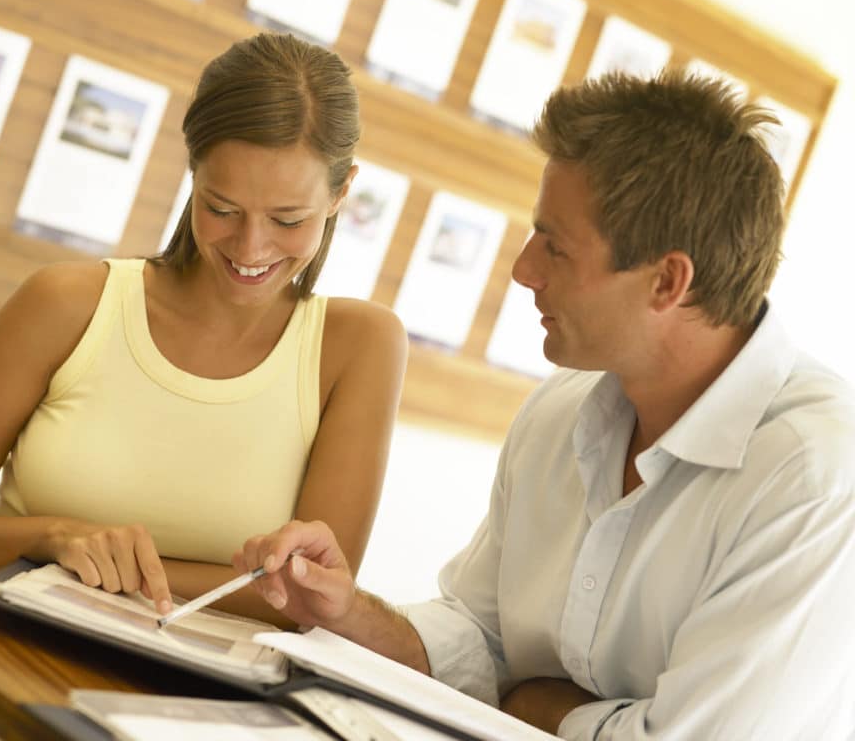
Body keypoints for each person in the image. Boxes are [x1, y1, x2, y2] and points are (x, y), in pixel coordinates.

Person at [235, 70, 855, 740]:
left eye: (555, 246)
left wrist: (530, 705)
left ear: (667, 281)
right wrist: (349, 610)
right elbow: (477, 643)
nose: (524, 270)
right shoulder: (562, 411)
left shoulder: (817, 478)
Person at [0, 32, 408, 741]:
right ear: (191, 174)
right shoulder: (67, 304)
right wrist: (56, 537)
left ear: (342, 192)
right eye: (221, 207)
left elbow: (300, 600)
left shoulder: (359, 346)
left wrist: (106, 568)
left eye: (287, 220)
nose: (250, 249)